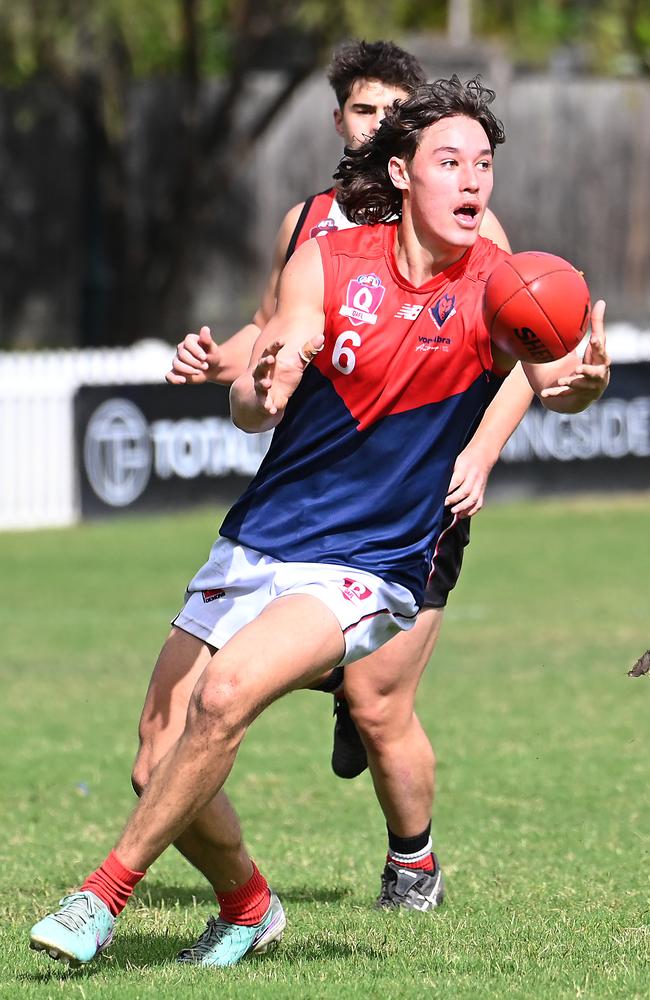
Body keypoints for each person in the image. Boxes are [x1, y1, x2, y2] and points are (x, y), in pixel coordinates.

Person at [30, 74, 610, 970]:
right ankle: (250, 908)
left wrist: (583, 386)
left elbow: (554, 379)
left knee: (226, 699)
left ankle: (99, 898)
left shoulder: (502, 285)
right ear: (402, 172)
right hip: (262, 535)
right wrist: (264, 387)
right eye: (448, 161)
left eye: (483, 164)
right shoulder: (326, 262)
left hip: (369, 564)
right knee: (157, 761)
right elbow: (253, 393)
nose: (471, 181)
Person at [162, 40, 530, 915]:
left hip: (414, 501)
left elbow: (528, 352)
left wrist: (477, 456)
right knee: (191, 723)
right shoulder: (310, 225)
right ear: (345, 124)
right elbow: (269, 334)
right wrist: (220, 363)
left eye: (393, 112)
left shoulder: (468, 226)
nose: (378, 124)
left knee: (377, 701)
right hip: (311, 501)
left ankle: (414, 865)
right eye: (364, 111)